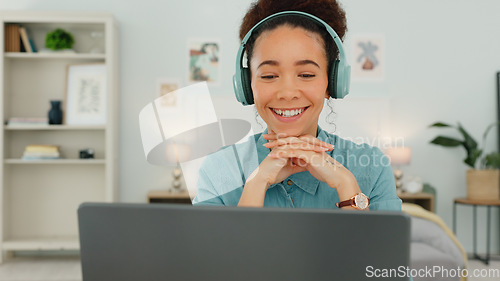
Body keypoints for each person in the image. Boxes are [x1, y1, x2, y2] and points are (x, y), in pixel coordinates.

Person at [192, 0, 401, 211]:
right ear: (248, 85)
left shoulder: (372, 166)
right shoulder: (219, 169)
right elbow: (215, 246)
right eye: (269, 75)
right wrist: (256, 184)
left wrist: (346, 185)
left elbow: (375, 245)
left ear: (332, 82)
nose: (287, 93)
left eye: (306, 74)